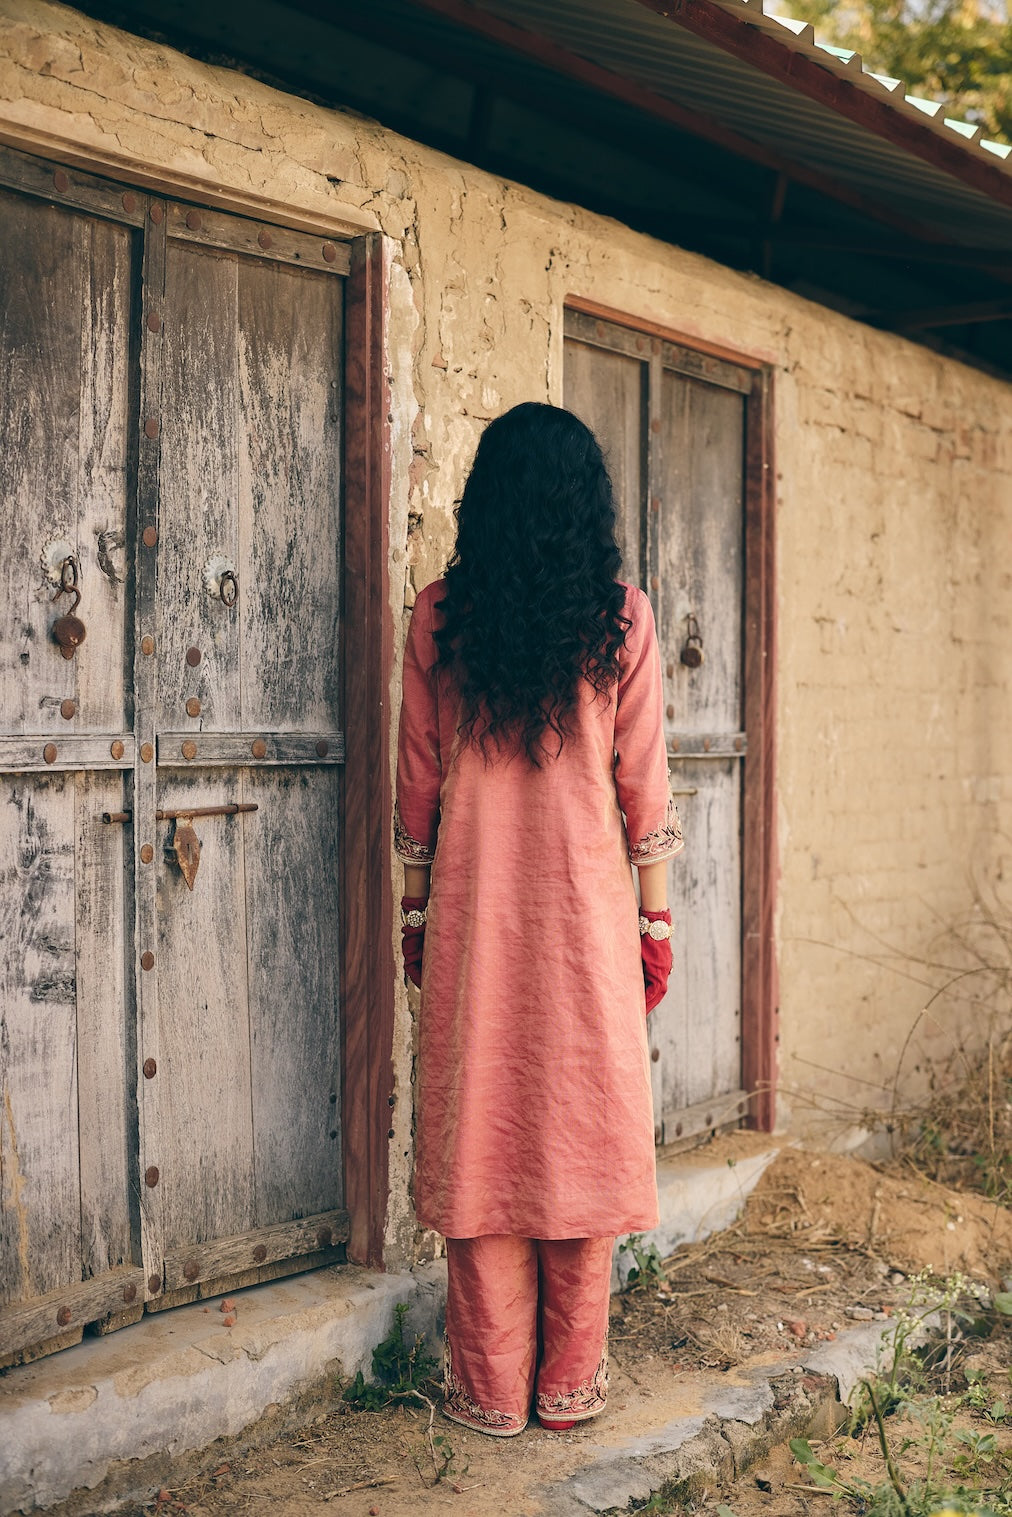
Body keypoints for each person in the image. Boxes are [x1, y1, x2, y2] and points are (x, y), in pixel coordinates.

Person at [394, 401, 684, 1436]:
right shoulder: (619, 620)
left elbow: (416, 790)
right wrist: (653, 931)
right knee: (582, 1138)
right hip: (589, 929)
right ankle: (567, 1385)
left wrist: (417, 917)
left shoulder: (440, 617)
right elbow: (642, 793)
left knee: (482, 1139)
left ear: (488, 501)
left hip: (476, 922)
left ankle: (486, 1391)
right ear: (585, 506)